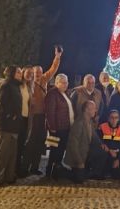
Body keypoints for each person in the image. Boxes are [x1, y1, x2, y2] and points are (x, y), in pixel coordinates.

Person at [21, 47, 61, 176]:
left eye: (39, 72)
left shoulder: (44, 79)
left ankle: (35, 167)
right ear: (32, 72)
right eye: (35, 72)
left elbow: (53, 68)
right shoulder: (28, 83)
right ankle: (25, 168)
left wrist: (57, 56)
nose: (37, 74)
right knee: (30, 143)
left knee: (40, 142)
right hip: (33, 117)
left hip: (43, 117)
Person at [0, 66, 23, 186]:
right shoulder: (6, 86)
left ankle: (9, 176)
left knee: (12, 153)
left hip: (14, 125)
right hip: (6, 125)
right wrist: (12, 115)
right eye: (19, 72)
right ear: (12, 73)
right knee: (3, 153)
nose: (21, 74)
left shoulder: (15, 86)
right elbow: (2, 105)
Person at [45, 74, 75, 178]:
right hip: (56, 128)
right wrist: (52, 127)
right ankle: (50, 171)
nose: (65, 84)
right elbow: (50, 112)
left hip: (65, 127)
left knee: (60, 149)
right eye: (63, 82)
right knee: (54, 149)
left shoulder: (65, 93)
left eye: (66, 82)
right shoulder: (52, 94)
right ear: (57, 83)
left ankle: (56, 168)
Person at [64, 100, 99, 184]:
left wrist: (103, 145)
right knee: (79, 179)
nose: (96, 110)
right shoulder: (79, 123)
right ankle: (60, 171)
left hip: (86, 155)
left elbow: (94, 137)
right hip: (77, 158)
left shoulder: (89, 121)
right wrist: (79, 162)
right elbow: (73, 144)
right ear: (87, 110)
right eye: (93, 108)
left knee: (102, 153)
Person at [99, 110, 120, 179]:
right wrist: (109, 150)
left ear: (119, 119)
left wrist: (118, 159)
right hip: (106, 153)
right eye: (112, 117)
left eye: (116, 117)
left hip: (117, 154)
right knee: (102, 175)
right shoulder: (102, 127)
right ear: (108, 118)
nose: (114, 120)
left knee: (117, 176)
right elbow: (99, 142)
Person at [16, 66, 33, 177]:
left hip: (26, 119)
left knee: (22, 144)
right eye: (28, 73)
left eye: (32, 74)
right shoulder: (18, 85)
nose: (30, 75)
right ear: (23, 73)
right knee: (17, 145)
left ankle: (19, 168)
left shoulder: (28, 87)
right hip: (18, 118)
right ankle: (15, 169)